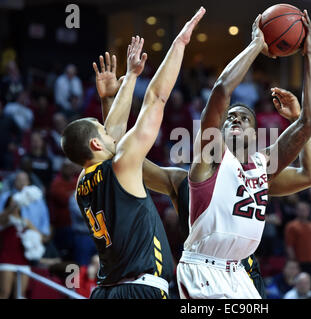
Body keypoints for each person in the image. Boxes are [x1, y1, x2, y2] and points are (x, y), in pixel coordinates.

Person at [61, 8, 206, 299]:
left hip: (107, 290)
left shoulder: (82, 184)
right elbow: (156, 98)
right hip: (140, 289)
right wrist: (179, 45)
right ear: (96, 145)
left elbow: (113, 135)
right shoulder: (120, 165)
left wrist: (121, 87)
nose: (108, 130)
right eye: (100, 131)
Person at [177, 10, 311, 299]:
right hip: (203, 270)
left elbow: (310, 121)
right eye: (230, 118)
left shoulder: (262, 165)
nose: (236, 119)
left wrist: (310, 55)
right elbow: (220, 91)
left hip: (239, 272)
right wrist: (257, 43)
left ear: (256, 134)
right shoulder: (211, 156)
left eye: (244, 118)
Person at [284, 201, 311, 291]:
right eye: (300, 210)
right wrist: (294, 263)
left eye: (305, 210)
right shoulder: (291, 226)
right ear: (296, 211)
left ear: (309, 211)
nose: (303, 212)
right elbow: (289, 246)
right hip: (299, 264)